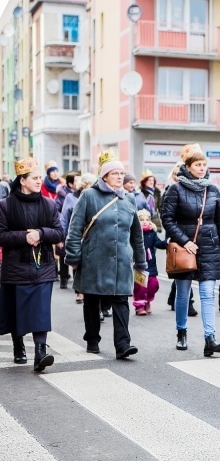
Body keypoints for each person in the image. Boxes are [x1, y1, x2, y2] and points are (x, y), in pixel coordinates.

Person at [64, 151, 146, 359]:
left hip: (121, 260)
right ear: (104, 176)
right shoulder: (89, 196)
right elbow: (75, 229)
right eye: (115, 173)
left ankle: (123, 344)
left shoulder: (128, 200)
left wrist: (141, 260)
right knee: (92, 300)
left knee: (121, 300)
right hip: (94, 258)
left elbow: (136, 233)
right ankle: (92, 339)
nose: (120, 177)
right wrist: (73, 255)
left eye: (122, 173)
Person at [160, 143, 220, 355]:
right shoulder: (176, 189)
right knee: (183, 293)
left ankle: (210, 338)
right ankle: (181, 331)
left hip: (209, 246)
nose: (202, 168)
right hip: (186, 248)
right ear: (188, 167)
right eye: (198, 164)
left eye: (204, 164)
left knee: (208, 293)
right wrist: (183, 241)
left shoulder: (212, 189)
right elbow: (167, 219)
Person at [0, 157, 64, 371]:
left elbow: (58, 232)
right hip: (15, 266)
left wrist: (41, 233)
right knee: (16, 309)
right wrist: (24, 236)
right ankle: (19, 346)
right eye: (35, 178)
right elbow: (1, 236)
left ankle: (40, 352)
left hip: (43, 265)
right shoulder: (5, 206)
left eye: (40, 177)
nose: (39, 181)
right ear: (22, 180)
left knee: (40, 309)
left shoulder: (49, 204)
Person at [165, 161, 197, 316]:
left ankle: (175, 298)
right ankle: (184, 302)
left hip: (192, 236)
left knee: (184, 269)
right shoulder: (170, 190)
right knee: (180, 268)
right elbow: (167, 217)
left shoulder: (195, 190)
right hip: (177, 237)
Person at [60, 172, 96, 304]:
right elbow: (64, 217)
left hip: (90, 235)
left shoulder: (95, 196)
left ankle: (88, 291)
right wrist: (62, 236)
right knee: (77, 262)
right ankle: (79, 291)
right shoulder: (71, 197)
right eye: (92, 183)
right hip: (76, 234)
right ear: (85, 184)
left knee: (88, 263)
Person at [133, 209, 166, 316]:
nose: (145, 222)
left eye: (147, 219)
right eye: (141, 220)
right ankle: (139, 306)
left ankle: (147, 301)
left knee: (153, 285)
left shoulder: (152, 233)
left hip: (151, 264)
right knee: (140, 287)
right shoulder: (135, 233)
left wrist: (167, 242)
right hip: (140, 264)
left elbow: (158, 244)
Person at [54, 171, 82, 290]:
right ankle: (64, 278)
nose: (78, 183)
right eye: (76, 180)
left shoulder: (82, 194)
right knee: (63, 254)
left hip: (78, 229)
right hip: (67, 226)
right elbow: (59, 211)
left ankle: (77, 283)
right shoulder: (64, 195)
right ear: (71, 184)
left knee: (76, 255)